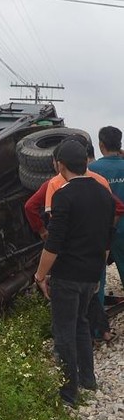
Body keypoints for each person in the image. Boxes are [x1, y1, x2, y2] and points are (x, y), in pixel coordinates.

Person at [34, 139, 115, 407]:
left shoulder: (63, 195)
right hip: (91, 274)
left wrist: (40, 276)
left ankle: (68, 395)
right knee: (81, 325)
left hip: (67, 276)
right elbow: (106, 240)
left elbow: (53, 244)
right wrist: (97, 273)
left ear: (60, 165)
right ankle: (88, 380)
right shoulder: (104, 193)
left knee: (64, 332)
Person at [25, 135, 122, 342]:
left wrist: (40, 273)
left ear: (59, 164)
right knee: (96, 289)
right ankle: (100, 331)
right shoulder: (100, 182)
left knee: (67, 325)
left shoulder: (54, 185)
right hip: (96, 251)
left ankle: (75, 355)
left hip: (67, 259)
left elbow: (40, 217)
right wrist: (105, 232)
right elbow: (117, 207)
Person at [88, 127, 124, 305]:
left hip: (101, 232)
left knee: (97, 280)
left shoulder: (92, 169)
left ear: (101, 145)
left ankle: (98, 327)